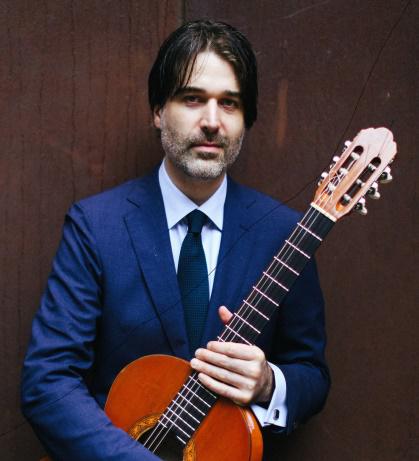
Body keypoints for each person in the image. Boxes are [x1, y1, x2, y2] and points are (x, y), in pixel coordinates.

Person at [21, 20, 330, 460]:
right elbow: (48, 381)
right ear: (158, 111)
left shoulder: (286, 234)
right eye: (192, 98)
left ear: (246, 120)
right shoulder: (95, 226)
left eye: (229, 103)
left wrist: (269, 383)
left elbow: (312, 374)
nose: (212, 122)